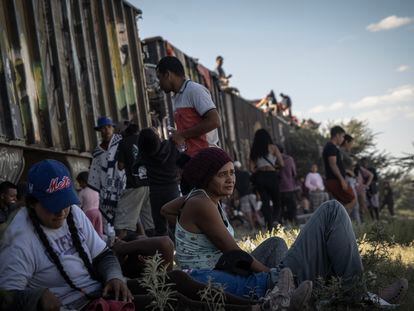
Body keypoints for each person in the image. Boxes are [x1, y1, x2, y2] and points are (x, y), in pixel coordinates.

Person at [161, 148, 407, 307]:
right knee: (331, 210)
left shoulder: (202, 198)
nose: (231, 180)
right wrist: (272, 274)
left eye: (232, 173)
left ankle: (300, 287)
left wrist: (190, 208)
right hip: (218, 275)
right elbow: (233, 252)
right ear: (205, 178)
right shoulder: (202, 203)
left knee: (277, 243)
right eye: (222, 175)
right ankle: (358, 294)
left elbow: (165, 210)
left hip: (222, 269)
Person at [156, 56, 221, 156]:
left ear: (168, 75)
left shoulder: (194, 90)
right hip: (194, 158)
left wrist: (182, 135)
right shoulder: (178, 97)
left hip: (207, 157)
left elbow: (214, 121)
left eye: (159, 78)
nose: (159, 84)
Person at [138, 128, 180, 237]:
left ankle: (165, 252)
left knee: (160, 228)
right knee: (176, 224)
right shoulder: (171, 147)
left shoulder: (144, 155)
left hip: (155, 192)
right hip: (172, 189)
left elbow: (135, 167)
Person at [116, 123, 154, 238]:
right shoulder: (146, 140)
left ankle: (123, 252)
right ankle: (157, 251)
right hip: (150, 184)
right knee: (150, 222)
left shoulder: (124, 142)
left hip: (135, 185)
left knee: (121, 222)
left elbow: (120, 166)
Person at [88, 116, 125, 226]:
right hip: (107, 192)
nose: (106, 130)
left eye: (109, 127)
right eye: (103, 128)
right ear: (99, 131)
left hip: (124, 187)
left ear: (113, 128)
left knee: (129, 217)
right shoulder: (97, 153)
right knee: (113, 223)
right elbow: (96, 174)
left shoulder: (121, 143)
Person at [249, 129, 284, 230]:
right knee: (277, 201)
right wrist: (275, 166)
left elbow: (251, 168)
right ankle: (275, 220)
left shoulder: (254, 149)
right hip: (271, 175)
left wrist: (259, 168)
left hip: (260, 177)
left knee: (265, 202)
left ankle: (269, 226)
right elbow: (282, 164)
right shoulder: (273, 148)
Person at [322, 126, 356, 212]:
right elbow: (333, 165)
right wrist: (342, 180)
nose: (343, 139)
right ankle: (338, 220)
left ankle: (338, 222)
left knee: (341, 204)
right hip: (335, 180)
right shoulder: (331, 147)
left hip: (334, 180)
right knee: (352, 200)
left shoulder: (332, 147)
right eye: (342, 136)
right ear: (337, 135)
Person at [234, 161, 262, 231]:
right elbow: (253, 183)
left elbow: (235, 189)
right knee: (256, 210)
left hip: (243, 196)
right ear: (240, 166)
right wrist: (257, 194)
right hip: (252, 194)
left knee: (247, 212)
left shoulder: (234, 176)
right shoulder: (246, 173)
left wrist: (235, 198)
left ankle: (253, 227)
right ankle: (261, 225)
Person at [341, 134, 361, 224]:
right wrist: (347, 171)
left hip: (351, 180)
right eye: (351, 143)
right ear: (346, 142)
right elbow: (338, 166)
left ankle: (356, 227)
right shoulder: (340, 152)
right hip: (346, 180)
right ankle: (343, 223)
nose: (351, 145)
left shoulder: (347, 153)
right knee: (353, 203)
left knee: (355, 205)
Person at [76, 171, 104, 237]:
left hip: (88, 213)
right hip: (98, 213)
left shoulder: (82, 192)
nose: (79, 185)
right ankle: (101, 244)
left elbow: (78, 205)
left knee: (89, 232)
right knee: (99, 231)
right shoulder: (96, 190)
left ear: (84, 181)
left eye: (80, 183)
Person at [278, 146, 297, 224]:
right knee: (291, 207)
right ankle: (293, 223)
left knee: (280, 208)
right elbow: (294, 173)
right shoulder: (290, 159)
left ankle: (281, 224)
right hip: (289, 187)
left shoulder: (274, 160)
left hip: (279, 188)